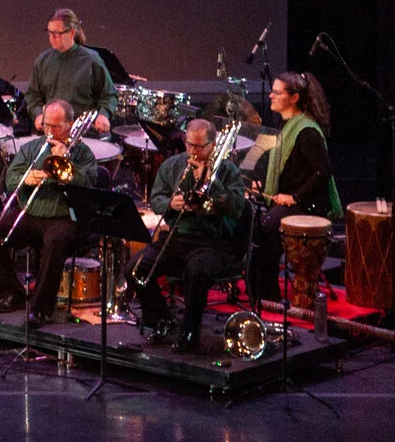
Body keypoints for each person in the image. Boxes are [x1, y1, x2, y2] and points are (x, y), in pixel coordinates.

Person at [0, 99, 104, 326]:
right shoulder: (32, 148)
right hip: (32, 212)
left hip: (64, 218)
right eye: (46, 125)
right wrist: (27, 178)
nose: (50, 131)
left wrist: (67, 162)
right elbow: (11, 178)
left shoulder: (83, 153)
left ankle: (40, 308)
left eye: (56, 126)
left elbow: (90, 183)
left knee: (55, 241)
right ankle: (13, 293)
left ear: (70, 125)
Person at [131, 118, 249, 350]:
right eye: (189, 144)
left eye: (199, 146)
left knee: (197, 271)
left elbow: (237, 208)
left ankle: (189, 333)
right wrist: (170, 203)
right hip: (177, 237)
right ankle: (162, 320)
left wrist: (211, 183)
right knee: (135, 269)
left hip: (214, 242)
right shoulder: (172, 165)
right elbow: (156, 199)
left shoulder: (229, 171)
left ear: (213, 145)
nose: (193, 151)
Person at [247, 71, 342, 305]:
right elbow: (290, 169)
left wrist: (294, 197)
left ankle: (267, 296)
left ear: (294, 98)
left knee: (267, 227)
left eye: (277, 92)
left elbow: (323, 172)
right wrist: (263, 185)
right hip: (292, 199)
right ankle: (261, 293)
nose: (271, 96)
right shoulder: (288, 124)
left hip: (308, 204)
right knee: (256, 223)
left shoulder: (307, 130)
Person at [21, 8, 114, 131]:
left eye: (56, 33)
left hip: (82, 132)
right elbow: (33, 96)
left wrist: (103, 115)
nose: (52, 38)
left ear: (71, 33)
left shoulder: (92, 60)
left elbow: (109, 95)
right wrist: (38, 114)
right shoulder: (42, 61)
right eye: (49, 32)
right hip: (52, 131)